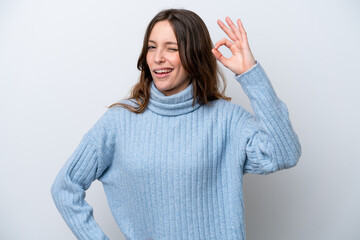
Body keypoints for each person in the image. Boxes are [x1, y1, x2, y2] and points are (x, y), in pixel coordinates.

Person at [51, 8, 301, 240]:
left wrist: (250, 73)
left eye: (171, 48)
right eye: (151, 47)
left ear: (194, 55)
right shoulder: (118, 123)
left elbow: (284, 154)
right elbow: (65, 187)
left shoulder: (228, 120)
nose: (158, 57)